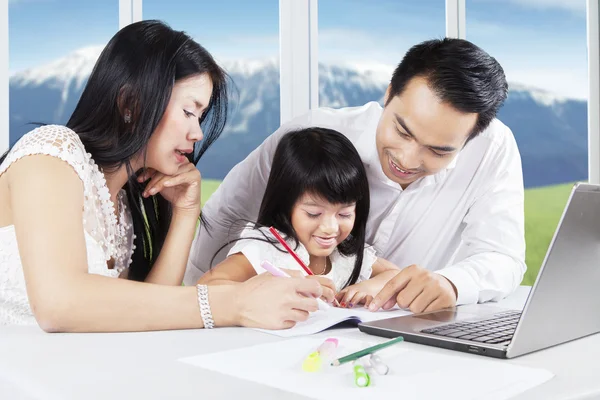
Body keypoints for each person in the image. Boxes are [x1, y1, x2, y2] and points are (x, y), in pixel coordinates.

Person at [0, 20, 323, 331]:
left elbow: (147, 316)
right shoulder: (51, 152)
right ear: (131, 103)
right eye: (188, 111)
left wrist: (185, 214)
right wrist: (233, 303)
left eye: (201, 116)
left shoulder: (125, 207)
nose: (197, 133)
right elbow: (60, 303)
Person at [185, 38, 526, 315]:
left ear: (470, 138)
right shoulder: (313, 136)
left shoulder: (492, 148)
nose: (407, 159)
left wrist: (450, 284)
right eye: (402, 130)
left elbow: (503, 257)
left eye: (438, 151)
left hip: (397, 332)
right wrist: (198, 311)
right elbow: (227, 214)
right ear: (389, 92)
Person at [198, 127, 399, 308]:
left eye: (344, 214)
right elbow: (205, 288)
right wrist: (273, 289)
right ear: (286, 204)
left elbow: (396, 275)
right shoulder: (267, 247)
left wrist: (371, 286)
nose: (330, 227)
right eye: (313, 214)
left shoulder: (346, 253)